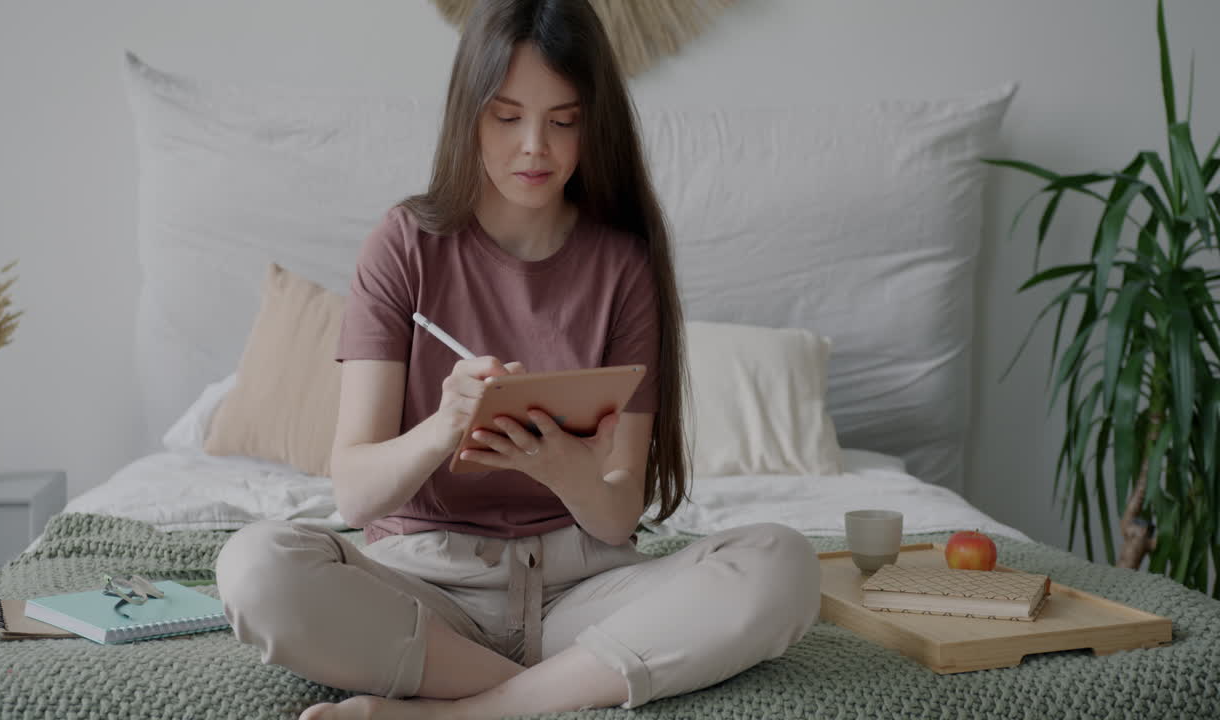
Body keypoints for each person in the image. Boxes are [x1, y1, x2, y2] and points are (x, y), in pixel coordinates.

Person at [214, 1, 820, 718]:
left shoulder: (623, 265)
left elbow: (617, 517)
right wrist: (445, 426)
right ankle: (565, 690)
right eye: (507, 117)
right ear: (468, 114)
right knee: (256, 568)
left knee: (781, 561)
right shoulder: (403, 245)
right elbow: (354, 494)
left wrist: (561, 466)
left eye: (563, 121)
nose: (535, 147)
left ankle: (472, 711)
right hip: (427, 593)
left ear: (594, 124)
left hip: (585, 592)